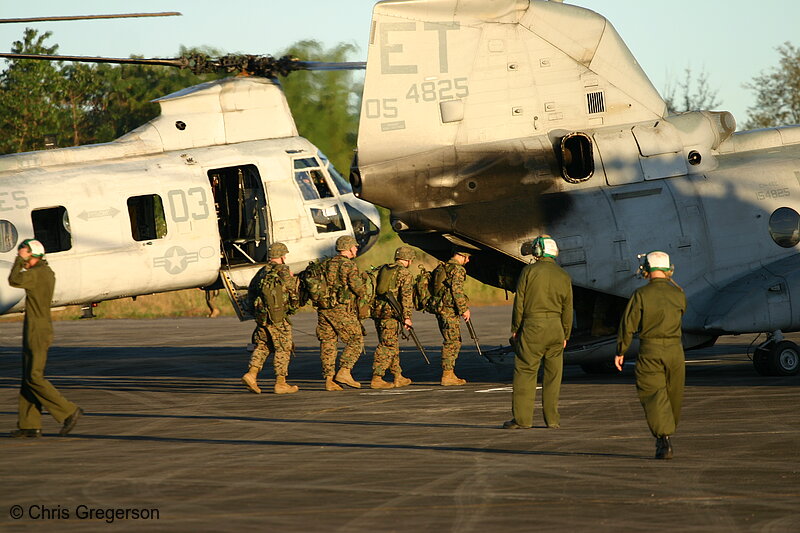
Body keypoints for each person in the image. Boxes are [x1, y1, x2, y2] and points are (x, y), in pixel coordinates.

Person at [8, 239, 83, 438]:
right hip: (35, 327)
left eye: (26, 254)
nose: (23, 258)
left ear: (34, 255)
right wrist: (26, 259)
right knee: (27, 377)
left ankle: (68, 411)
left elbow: (14, 279)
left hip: (37, 330)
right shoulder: (45, 272)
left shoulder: (36, 274)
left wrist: (18, 260)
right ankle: (30, 425)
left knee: (34, 377)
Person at [615, 251, 686, 460]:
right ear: (668, 269)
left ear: (646, 269)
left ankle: (663, 437)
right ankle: (668, 427)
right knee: (674, 393)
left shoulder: (641, 295)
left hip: (650, 350)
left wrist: (621, 350)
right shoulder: (679, 294)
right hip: (675, 350)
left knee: (653, 394)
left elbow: (628, 325)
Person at [503, 236, 572, 430]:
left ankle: (522, 419)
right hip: (556, 328)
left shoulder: (529, 271)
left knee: (525, 371)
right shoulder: (563, 276)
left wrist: (516, 329)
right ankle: (552, 420)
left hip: (533, 326)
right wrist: (565, 334)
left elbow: (520, 304)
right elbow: (568, 308)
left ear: (539, 252)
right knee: (553, 376)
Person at [241, 242, 300, 395]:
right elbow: (293, 291)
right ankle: (281, 383)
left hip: (262, 317)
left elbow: (251, 293)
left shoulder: (262, 271)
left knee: (263, 345)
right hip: (278, 317)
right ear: (281, 256)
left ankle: (251, 374)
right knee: (284, 347)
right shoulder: (283, 270)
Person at [317, 235, 366, 391]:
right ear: (349, 248)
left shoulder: (324, 264)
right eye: (355, 247)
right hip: (341, 309)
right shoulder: (349, 266)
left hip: (323, 308)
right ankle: (345, 371)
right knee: (356, 339)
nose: (356, 249)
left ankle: (329, 380)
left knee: (328, 343)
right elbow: (358, 289)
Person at [370, 246, 416, 389]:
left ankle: (398, 376)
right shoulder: (404, 273)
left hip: (378, 312)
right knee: (387, 345)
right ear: (408, 260)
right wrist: (407, 317)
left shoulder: (382, 269)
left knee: (391, 344)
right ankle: (377, 377)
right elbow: (406, 298)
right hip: (391, 314)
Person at [434, 248, 472, 386]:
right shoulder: (458, 269)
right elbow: (457, 290)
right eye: (467, 257)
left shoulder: (443, 266)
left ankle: (449, 373)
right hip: (449, 310)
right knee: (452, 341)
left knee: (450, 339)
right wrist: (464, 309)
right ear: (461, 256)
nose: (468, 261)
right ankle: (447, 375)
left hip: (440, 308)